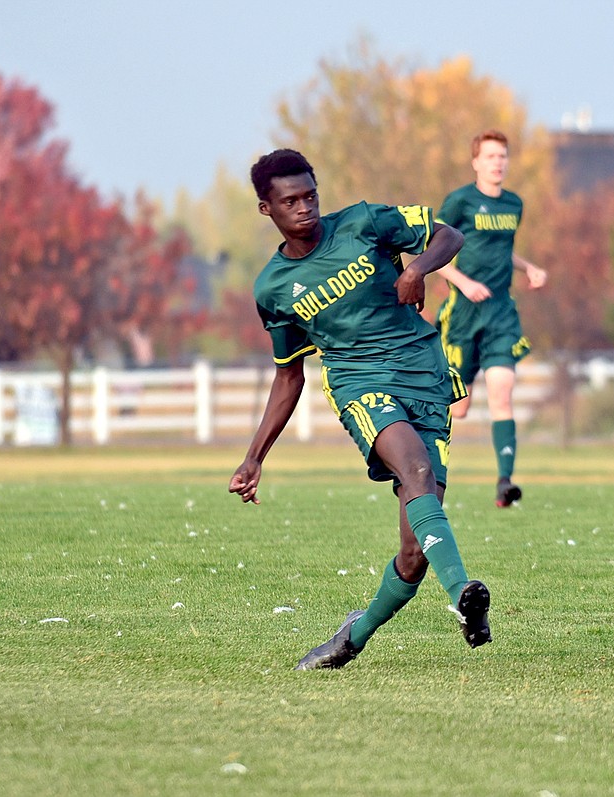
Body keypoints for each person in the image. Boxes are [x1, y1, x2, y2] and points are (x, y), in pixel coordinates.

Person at [229, 148, 490, 670]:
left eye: (310, 195)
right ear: (267, 209)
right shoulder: (273, 289)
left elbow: (451, 235)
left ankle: (351, 637)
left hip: (424, 373)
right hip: (359, 383)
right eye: (290, 201)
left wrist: (417, 267)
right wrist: (254, 456)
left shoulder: (365, 222)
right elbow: (288, 375)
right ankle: (464, 594)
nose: (304, 207)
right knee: (414, 469)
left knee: (415, 553)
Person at [435, 129, 548, 508]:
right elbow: (430, 251)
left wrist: (529, 268)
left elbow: (503, 252)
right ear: (476, 162)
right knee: (459, 407)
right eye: (490, 156)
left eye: (503, 156)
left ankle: (504, 482)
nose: (498, 163)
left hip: (501, 312)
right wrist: (464, 283)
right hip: (464, 314)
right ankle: (428, 473)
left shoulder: (514, 204)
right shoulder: (460, 202)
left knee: (502, 392)